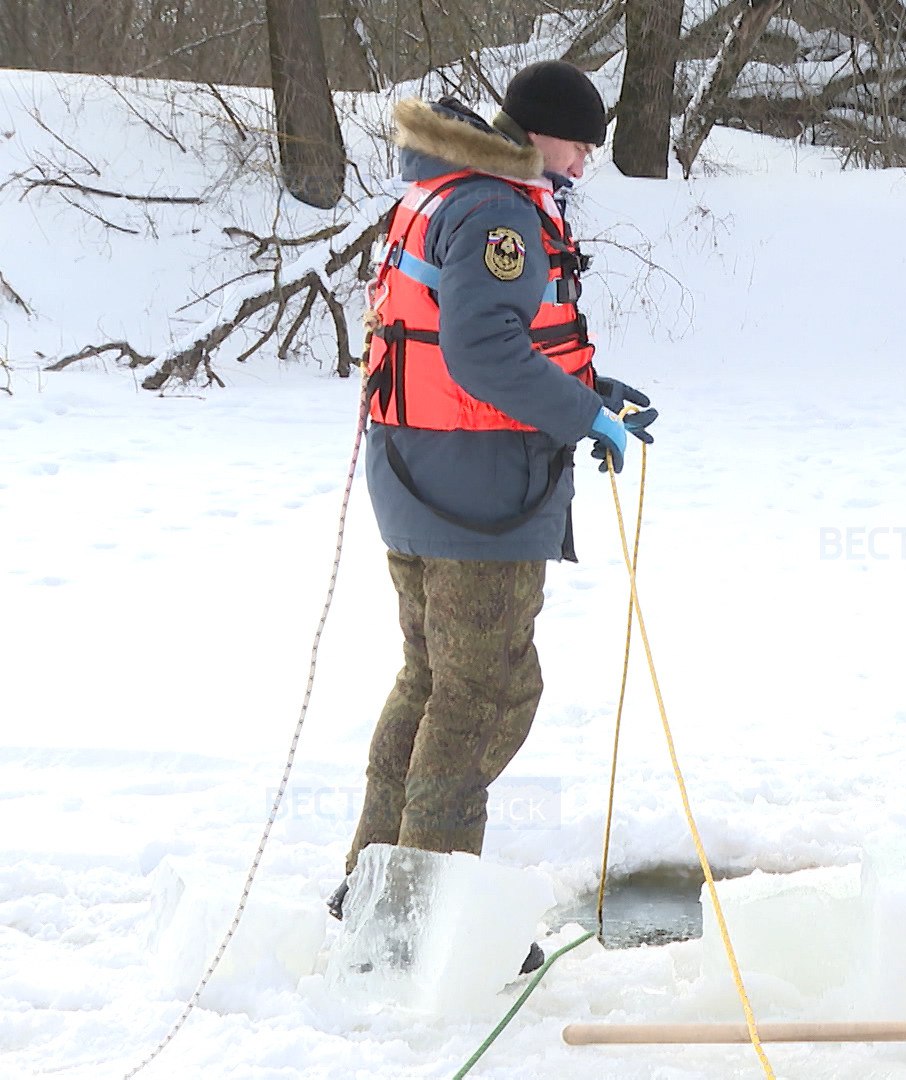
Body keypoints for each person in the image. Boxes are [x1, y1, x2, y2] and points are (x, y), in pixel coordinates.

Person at [331, 62, 657, 971]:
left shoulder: (451, 189)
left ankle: (373, 887)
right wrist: (577, 414)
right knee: (486, 695)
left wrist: (591, 391)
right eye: (581, 145)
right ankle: (419, 923)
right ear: (542, 131)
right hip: (476, 493)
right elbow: (480, 352)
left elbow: (482, 336)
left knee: (433, 682)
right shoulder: (501, 211)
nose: (585, 166)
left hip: (419, 473)